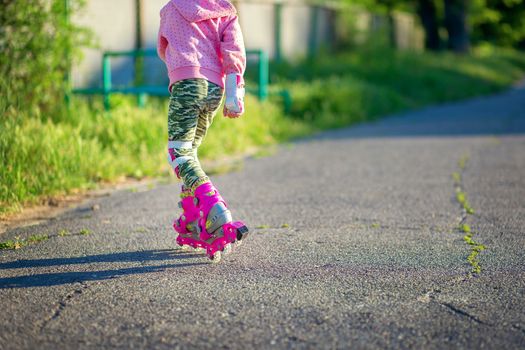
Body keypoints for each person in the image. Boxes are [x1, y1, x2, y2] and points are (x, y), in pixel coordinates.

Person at [157, 0, 249, 262]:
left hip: (186, 83)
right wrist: (234, 93)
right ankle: (192, 220)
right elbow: (234, 52)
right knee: (191, 152)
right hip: (214, 89)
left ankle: (214, 207)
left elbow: (163, 49)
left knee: (179, 154)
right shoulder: (226, 10)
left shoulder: (171, 8)